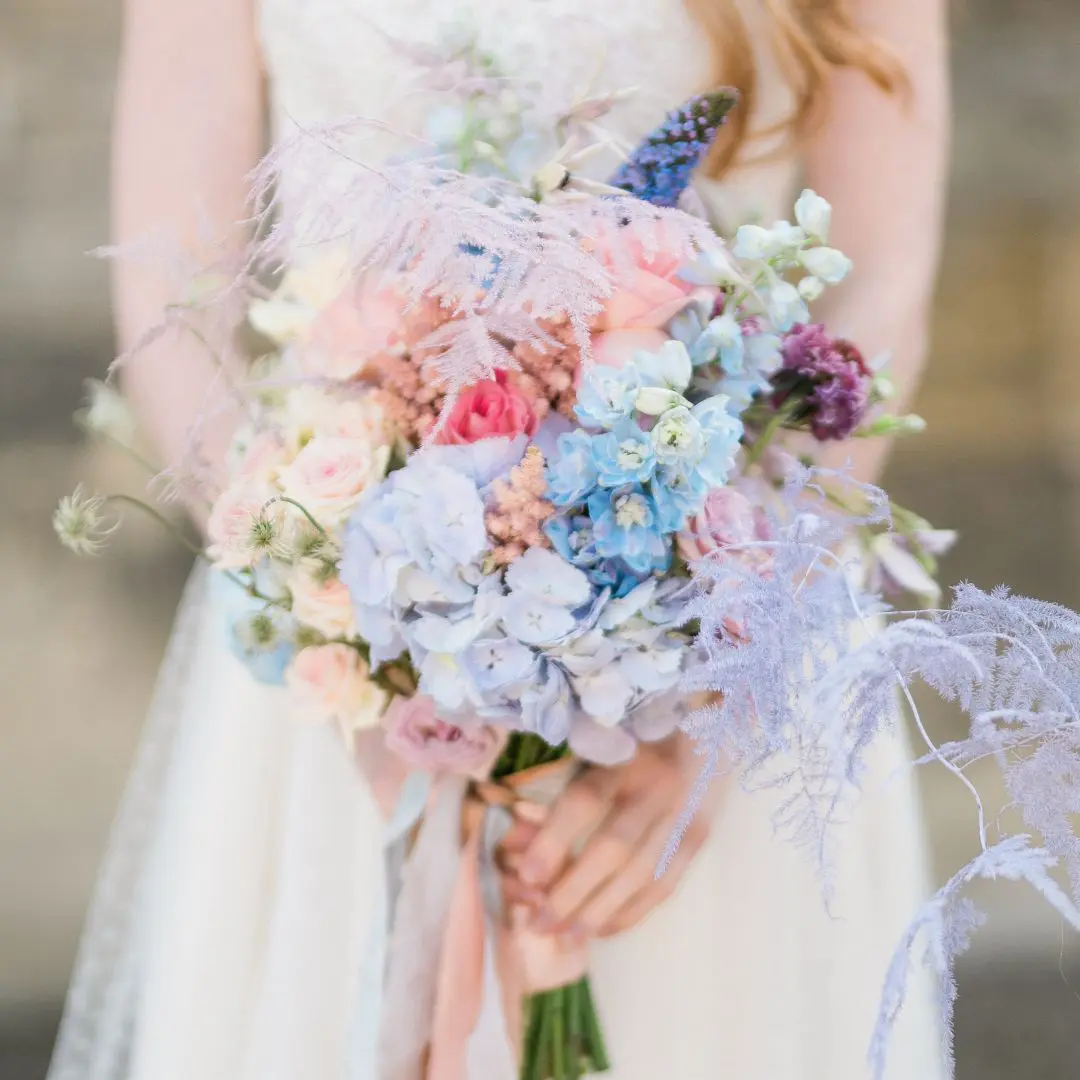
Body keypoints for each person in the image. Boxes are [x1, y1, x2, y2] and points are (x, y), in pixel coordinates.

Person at [49, 1, 950, 1078]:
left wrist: (709, 693)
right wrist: (360, 648)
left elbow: (877, 293)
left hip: (733, 643)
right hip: (346, 683)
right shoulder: (354, 660)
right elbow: (170, 299)